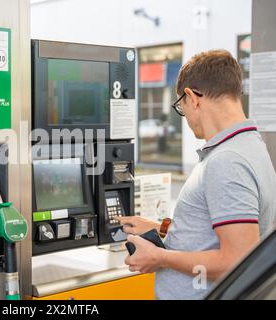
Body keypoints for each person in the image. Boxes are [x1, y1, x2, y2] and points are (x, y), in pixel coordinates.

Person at [115, 50, 276, 300]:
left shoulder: (227, 160)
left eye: (181, 106)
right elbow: (215, 232)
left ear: (192, 97)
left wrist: (160, 257)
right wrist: (162, 229)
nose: (186, 117)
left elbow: (237, 260)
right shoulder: (249, 146)